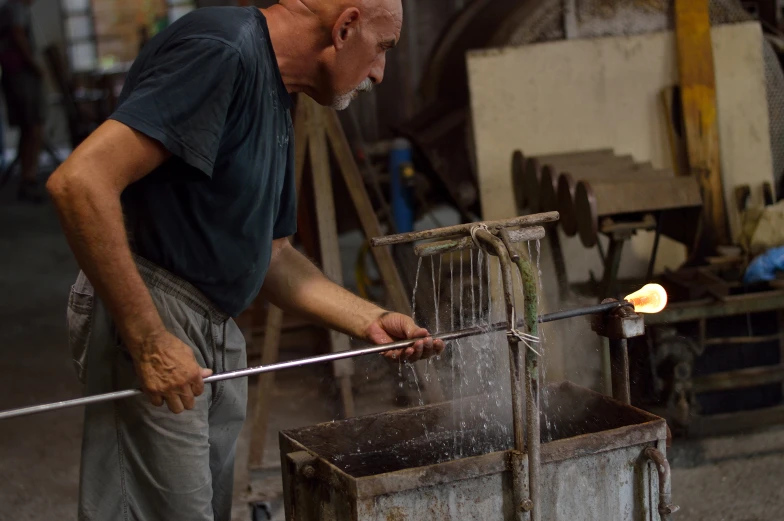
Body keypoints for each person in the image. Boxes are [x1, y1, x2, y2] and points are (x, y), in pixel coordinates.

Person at [46, 1, 442, 520]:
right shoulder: (222, 52)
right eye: (382, 48)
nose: (379, 72)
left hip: (211, 323)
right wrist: (148, 338)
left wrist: (367, 319)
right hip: (157, 306)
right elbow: (80, 182)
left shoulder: (281, 92)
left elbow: (273, 255)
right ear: (345, 27)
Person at [0, 0, 46, 202]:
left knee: (29, 128)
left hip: (16, 74)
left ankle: (28, 178)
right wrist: (33, 63)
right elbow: (18, 34)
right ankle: (29, 178)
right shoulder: (15, 9)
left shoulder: (12, 9)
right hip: (21, 74)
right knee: (33, 126)